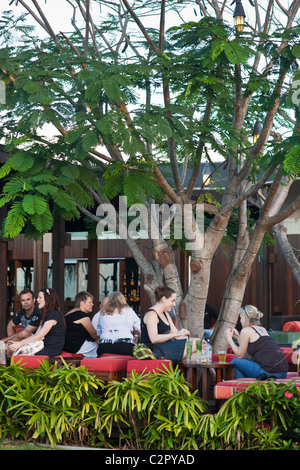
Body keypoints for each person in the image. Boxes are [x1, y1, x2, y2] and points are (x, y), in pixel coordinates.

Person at [226, 305, 289, 379]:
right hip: (283, 372)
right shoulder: (262, 329)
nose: (240, 321)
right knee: (243, 361)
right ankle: (242, 386)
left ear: (245, 318)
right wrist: (237, 337)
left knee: (235, 361)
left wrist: (229, 340)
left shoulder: (245, 331)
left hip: (269, 372)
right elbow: (248, 354)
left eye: (241, 318)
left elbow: (240, 355)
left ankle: (240, 387)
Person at [140, 286, 192, 365]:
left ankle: (203, 376)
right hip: (153, 351)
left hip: (165, 348)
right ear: (164, 299)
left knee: (198, 346)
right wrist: (176, 334)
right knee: (195, 347)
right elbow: (154, 339)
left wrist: (185, 335)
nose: (174, 304)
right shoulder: (152, 314)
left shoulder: (165, 314)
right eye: (172, 301)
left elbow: (177, 335)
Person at [8, 288, 66, 357]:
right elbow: (36, 335)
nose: (38, 300)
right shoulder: (47, 315)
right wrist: (17, 343)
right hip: (44, 346)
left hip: (52, 349)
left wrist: (20, 343)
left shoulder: (53, 315)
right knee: (16, 353)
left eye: (40, 297)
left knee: (22, 356)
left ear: (48, 299)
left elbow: (39, 337)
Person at [97, 291, 141, 356]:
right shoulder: (128, 311)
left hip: (105, 347)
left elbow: (99, 332)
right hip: (125, 346)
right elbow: (139, 328)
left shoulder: (103, 312)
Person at [64, 291, 99, 358]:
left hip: (67, 346)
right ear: (82, 303)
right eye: (90, 302)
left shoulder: (68, 314)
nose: (92, 304)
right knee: (99, 348)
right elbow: (94, 335)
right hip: (77, 347)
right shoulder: (83, 316)